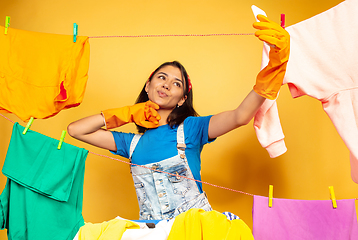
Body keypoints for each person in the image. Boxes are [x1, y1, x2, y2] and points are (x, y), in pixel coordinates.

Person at [67, 15, 290, 220]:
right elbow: (76, 130)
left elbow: (240, 116)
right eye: (161, 77)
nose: (166, 84)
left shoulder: (192, 129)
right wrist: (124, 114)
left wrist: (273, 69)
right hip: (152, 233)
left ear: (182, 99)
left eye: (177, 83)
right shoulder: (131, 144)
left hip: (194, 231)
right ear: (148, 85)